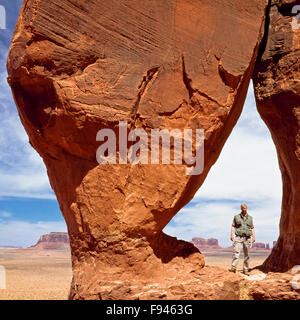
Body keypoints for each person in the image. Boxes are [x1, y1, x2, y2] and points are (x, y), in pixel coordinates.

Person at [229, 203, 255, 275]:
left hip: (247, 238)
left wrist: (254, 236)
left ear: (246, 208)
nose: (244, 209)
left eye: (245, 208)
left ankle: (245, 269)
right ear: (241, 209)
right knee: (236, 252)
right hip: (238, 237)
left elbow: (252, 228)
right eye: (243, 208)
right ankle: (233, 268)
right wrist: (231, 234)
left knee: (247, 254)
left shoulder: (250, 218)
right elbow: (233, 226)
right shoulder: (236, 217)